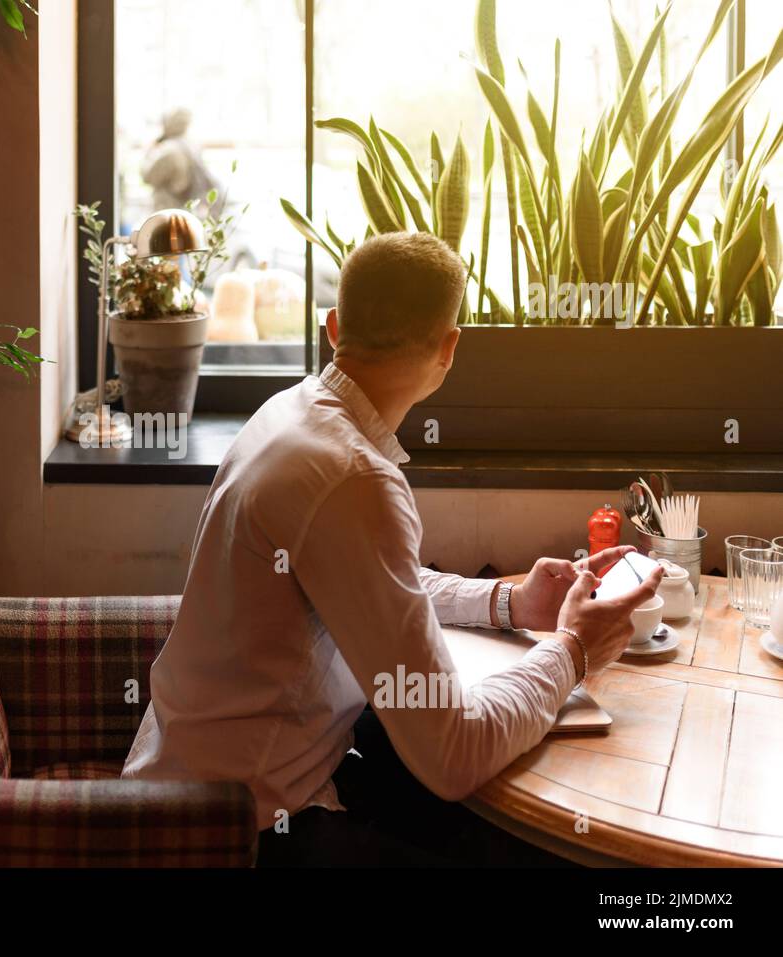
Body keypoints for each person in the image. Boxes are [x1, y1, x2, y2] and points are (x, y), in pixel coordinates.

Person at [120, 232, 663, 867]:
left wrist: (510, 601)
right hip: (243, 831)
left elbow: (373, 582)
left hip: (196, 775)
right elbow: (453, 755)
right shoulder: (354, 477)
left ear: (331, 328)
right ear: (450, 348)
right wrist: (573, 650)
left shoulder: (289, 415)